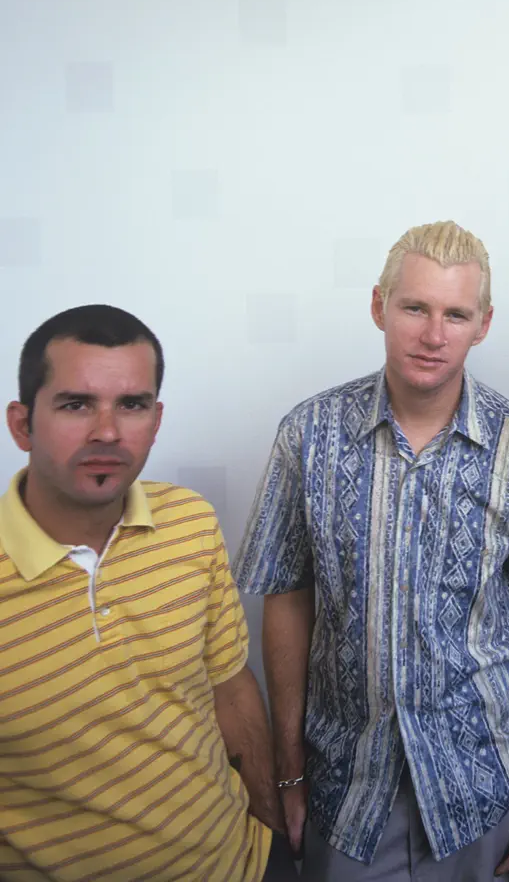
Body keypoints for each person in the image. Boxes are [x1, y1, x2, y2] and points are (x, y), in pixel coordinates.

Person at [233, 220, 509, 881]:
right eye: (415, 308)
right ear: (380, 307)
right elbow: (285, 598)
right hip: (347, 789)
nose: (433, 335)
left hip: (484, 786)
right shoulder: (308, 435)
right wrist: (288, 771)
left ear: (482, 325)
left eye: (456, 314)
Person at [0, 304, 293, 881]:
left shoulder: (190, 520)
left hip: (247, 863)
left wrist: (271, 825)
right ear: (22, 424)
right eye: (76, 404)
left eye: (131, 405)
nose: (107, 432)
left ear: (156, 421)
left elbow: (230, 686)